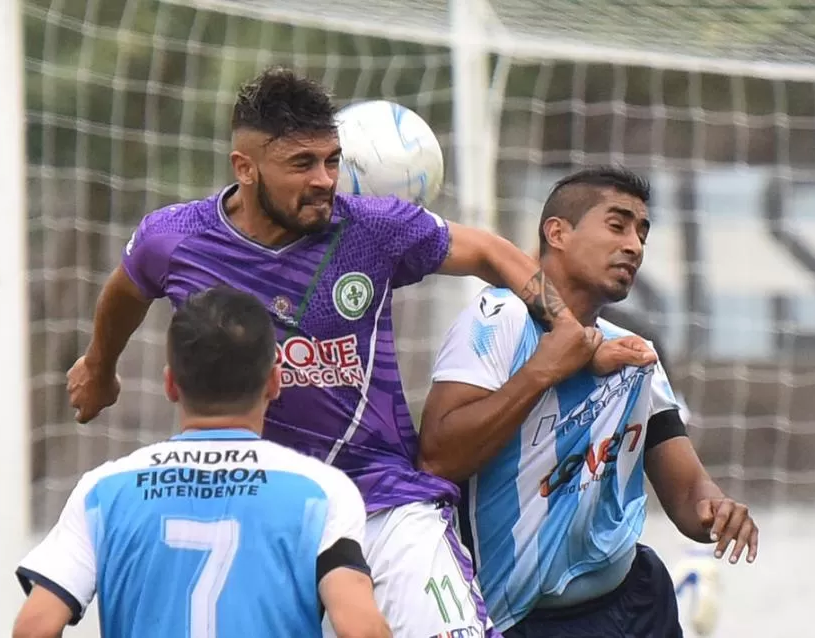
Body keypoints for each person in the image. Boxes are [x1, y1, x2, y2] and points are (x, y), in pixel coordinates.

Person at [65, 67, 647, 637]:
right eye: (302, 164)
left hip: (382, 495)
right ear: (245, 168)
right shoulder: (176, 237)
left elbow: (489, 251)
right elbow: (126, 289)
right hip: (264, 506)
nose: (325, 179)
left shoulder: (372, 228)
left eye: (332, 160)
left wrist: (567, 329)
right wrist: (100, 366)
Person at [421, 167, 760, 637]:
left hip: (638, 601)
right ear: (557, 233)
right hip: (524, 620)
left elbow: (687, 493)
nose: (635, 246)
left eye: (642, 232)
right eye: (617, 225)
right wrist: (547, 367)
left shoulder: (635, 352)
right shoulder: (497, 319)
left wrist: (718, 511)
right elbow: (438, 458)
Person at [12, 286, 390, 638]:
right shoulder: (322, 491)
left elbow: (34, 627)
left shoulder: (104, 491)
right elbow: (359, 628)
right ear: (275, 382)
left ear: (170, 384)